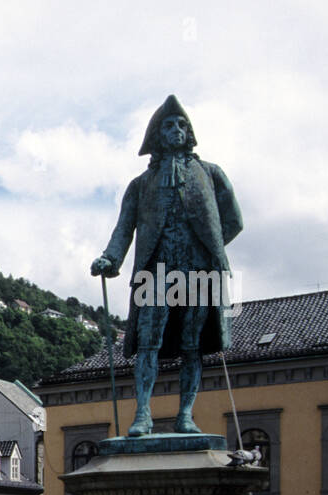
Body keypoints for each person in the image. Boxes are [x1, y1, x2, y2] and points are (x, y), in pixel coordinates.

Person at [91, 95, 243, 437]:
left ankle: (185, 415)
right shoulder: (141, 185)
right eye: (168, 125)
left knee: (194, 345)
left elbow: (233, 220)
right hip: (155, 272)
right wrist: (111, 258)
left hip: (199, 272)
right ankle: (142, 414)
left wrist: (210, 248)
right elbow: (123, 229)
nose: (176, 130)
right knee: (149, 342)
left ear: (189, 133)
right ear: (157, 136)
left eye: (181, 125)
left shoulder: (211, 174)